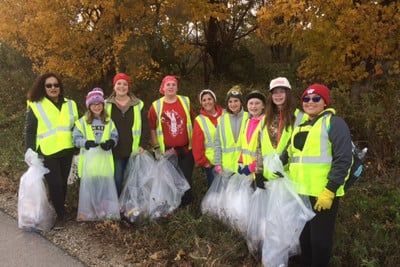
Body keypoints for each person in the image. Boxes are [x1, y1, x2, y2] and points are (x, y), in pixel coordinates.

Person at [280, 84, 353, 267]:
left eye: (315, 99)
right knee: (305, 239)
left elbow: (343, 159)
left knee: (320, 241)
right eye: (306, 99)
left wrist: (330, 190)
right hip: (302, 194)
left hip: (322, 195)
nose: (310, 102)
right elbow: (288, 156)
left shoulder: (334, 123)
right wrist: (269, 173)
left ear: (325, 102)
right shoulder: (301, 126)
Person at [25, 72, 79, 229]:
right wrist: (30, 151)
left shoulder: (71, 104)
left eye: (56, 85)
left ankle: (59, 208)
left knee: (63, 184)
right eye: (49, 85)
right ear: (43, 88)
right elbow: (30, 131)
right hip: (48, 151)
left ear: (60, 87)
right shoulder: (36, 104)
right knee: (55, 183)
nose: (53, 88)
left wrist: (80, 144)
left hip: (67, 149)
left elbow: (76, 126)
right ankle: (61, 216)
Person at [147, 75, 196, 206]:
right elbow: (152, 128)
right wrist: (156, 147)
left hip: (186, 149)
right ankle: (170, 206)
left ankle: (186, 206)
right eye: (168, 85)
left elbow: (194, 121)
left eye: (173, 84)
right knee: (169, 181)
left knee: (186, 179)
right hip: (167, 151)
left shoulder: (185, 101)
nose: (171, 87)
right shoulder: (156, 106)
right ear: (163, 87)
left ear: (177, 87)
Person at [73, 88, 119, 221]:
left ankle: (104, 213)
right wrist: (85, 143)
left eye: (99, 104)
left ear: (103, 105)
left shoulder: (109, 121)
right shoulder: (82, 122)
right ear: (89, 106)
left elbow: (115, 136)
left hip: (104, 164)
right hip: (89, 164)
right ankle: (88, 213)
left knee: (104, 190)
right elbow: (75, 138)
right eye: (93, 104)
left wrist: (111, 142)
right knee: (90, 190)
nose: (97, 106)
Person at [254, 77, 307, 187]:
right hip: (268, 175)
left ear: (288, 94)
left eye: (282, 91)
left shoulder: (301, 117)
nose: (278, 95)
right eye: (275, 92)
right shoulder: (265, 119)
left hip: (290, 176)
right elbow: (259, 147)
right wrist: (258, 172)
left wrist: (282, 163)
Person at [105, 73, 147, 197]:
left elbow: (145, 126)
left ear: (128, 87)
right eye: (119, 83)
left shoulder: (138, 104)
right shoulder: (105, 104)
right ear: (114, 86)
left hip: (134, 150)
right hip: (114, 150)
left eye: (125, 84)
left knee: (133, 182)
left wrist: (143, 145)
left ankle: (131, 208)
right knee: (116, 180)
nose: (122, 86)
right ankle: (116, 208)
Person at [192, 89, 223, 187]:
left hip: (229, 160)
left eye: (209, 99)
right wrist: (204, 162)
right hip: (212, 163)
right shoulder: (199, 120)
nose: (207, 102)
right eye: (204, 100)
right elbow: (197, 144)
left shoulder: (225, 114)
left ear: (214, 100)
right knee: (215, 193)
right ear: (201, 103)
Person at [214, 85, 248, 174]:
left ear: (241, 102)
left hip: (244, 167)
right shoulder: (221, 120)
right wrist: (217, 163)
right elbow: (217, 143)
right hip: (227, 168)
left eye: (236, 101)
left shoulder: (249, 117)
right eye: (230, 101)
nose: (233, 104)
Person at [237, 90, 266, 178]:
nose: (253, 106)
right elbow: (245, 145)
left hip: (260, 172)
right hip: (248, 173)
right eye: (251, 103)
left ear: (263, 106)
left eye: (257, 103)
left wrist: (251, 167)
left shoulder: (266, 123)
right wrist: (241, 161)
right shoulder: (248, 121)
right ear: (247, 106)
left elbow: (266, 151)